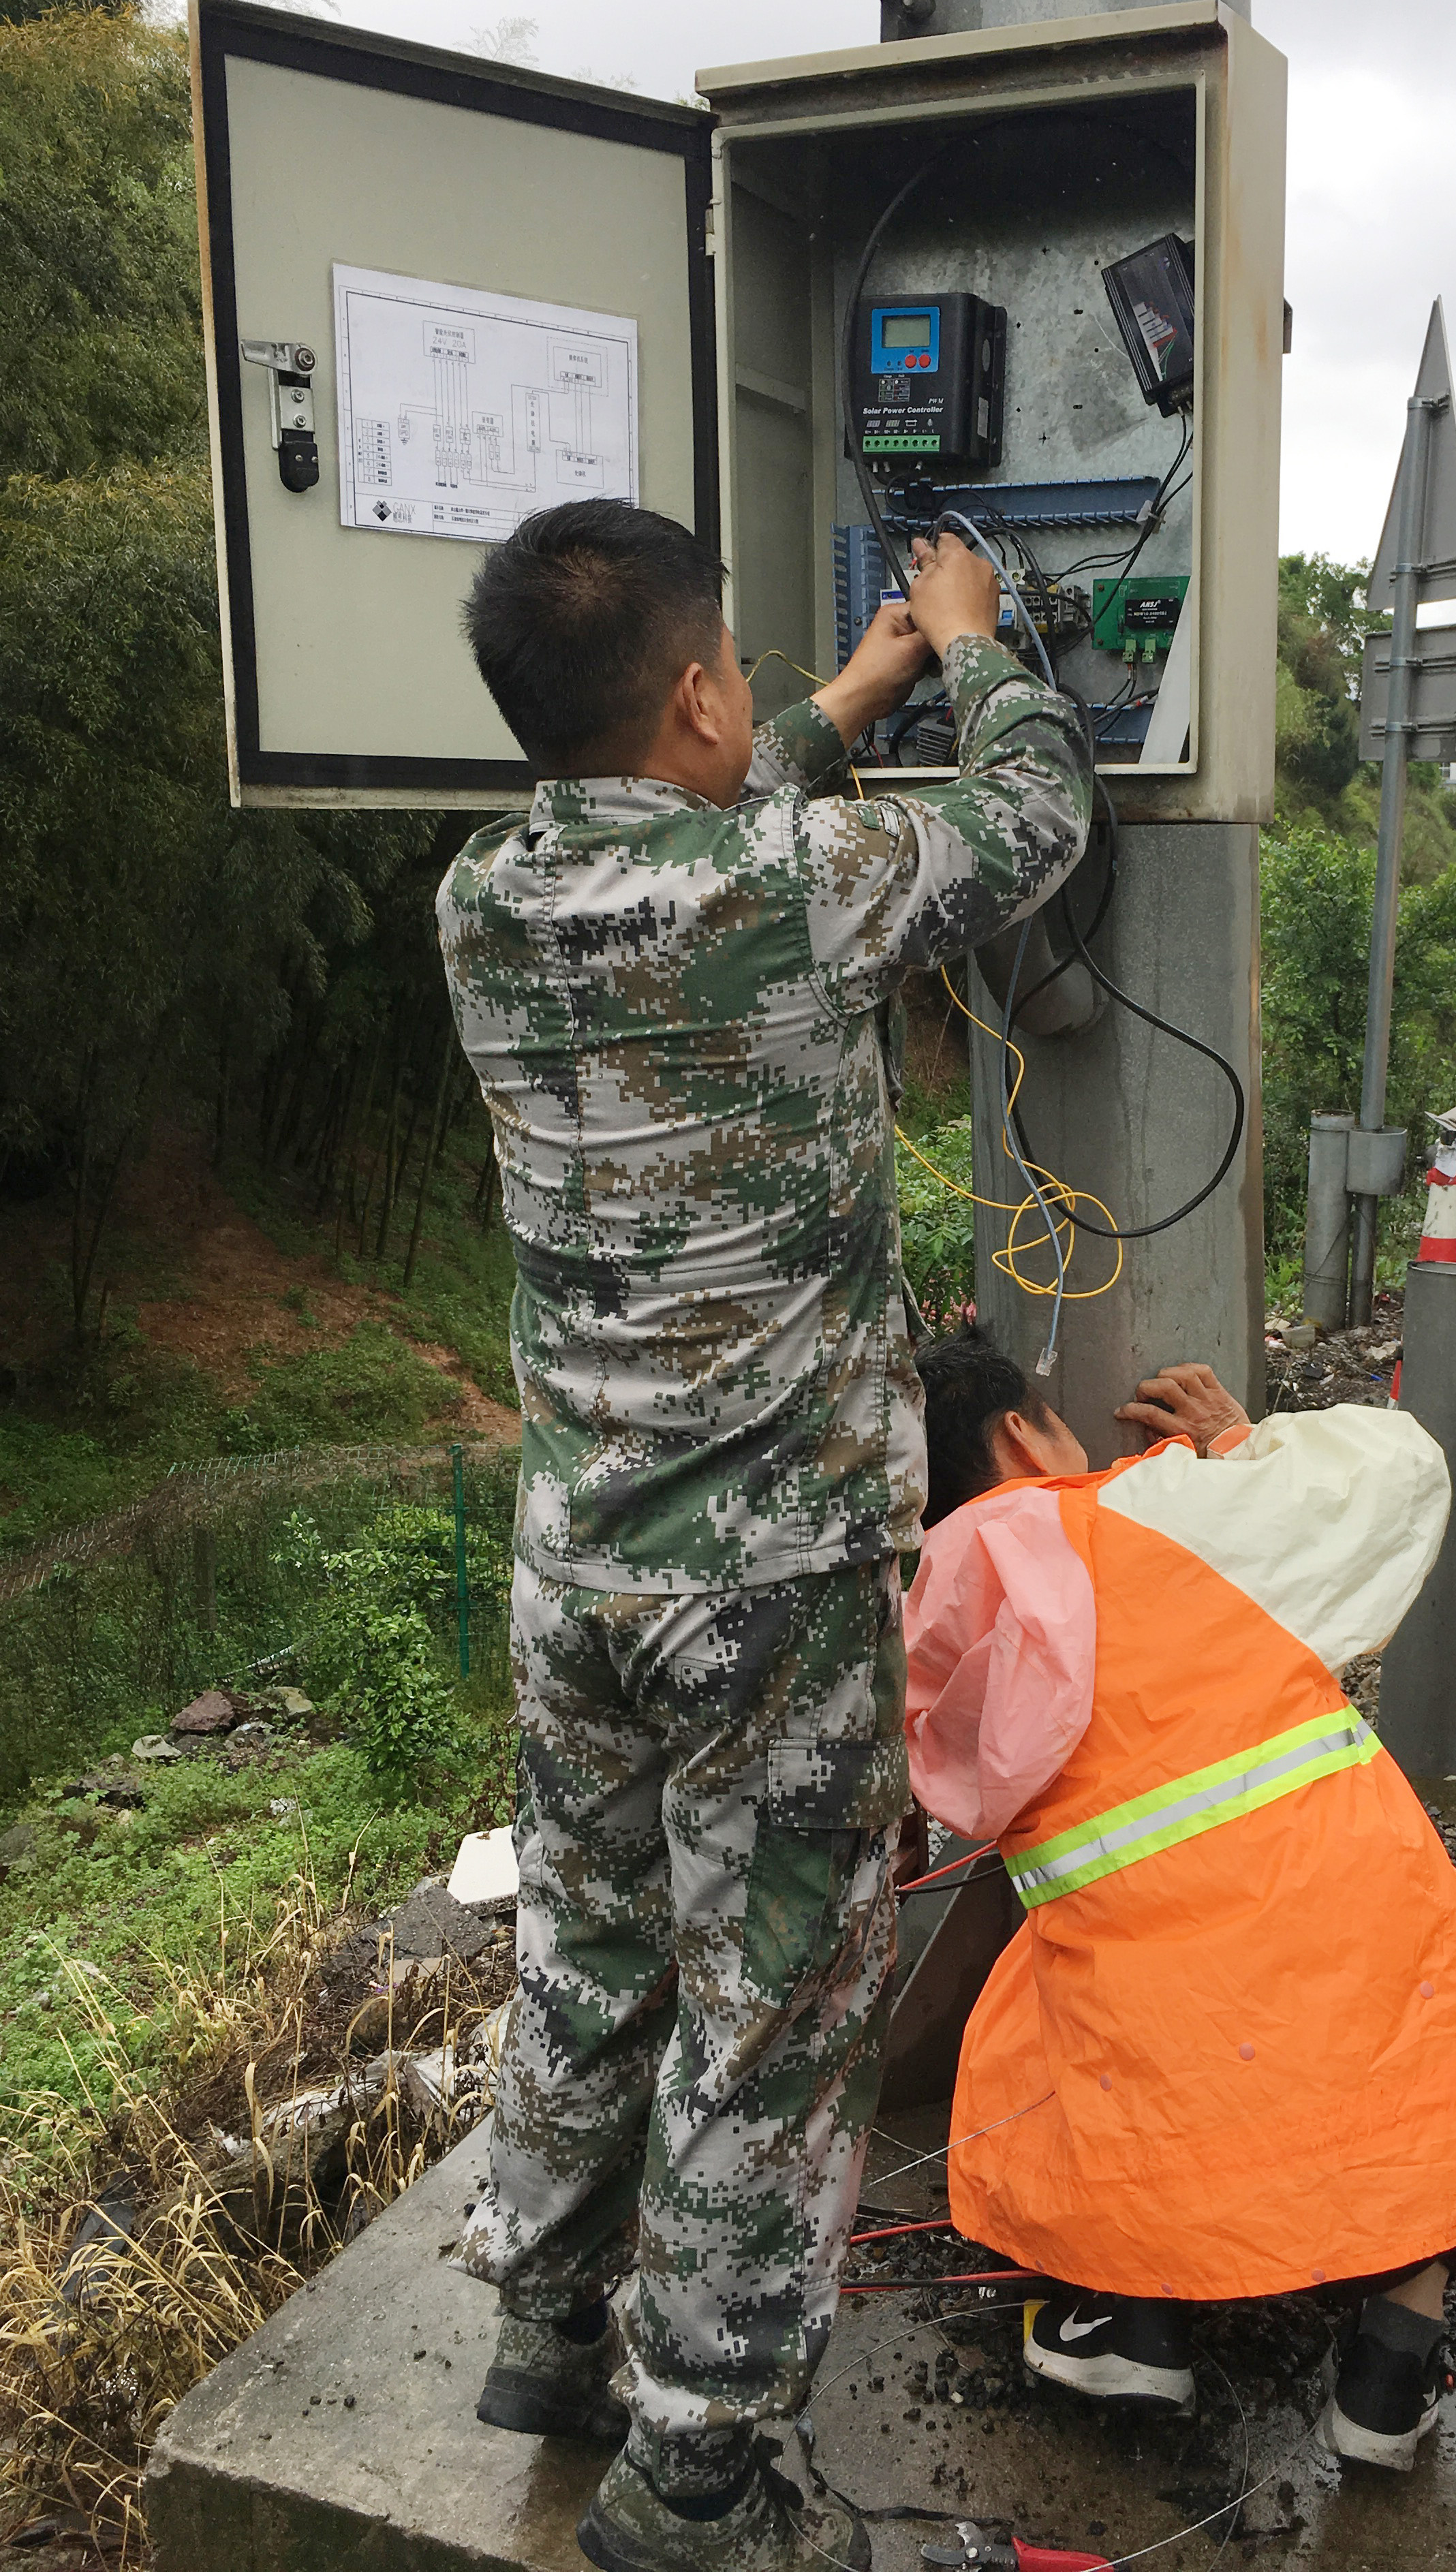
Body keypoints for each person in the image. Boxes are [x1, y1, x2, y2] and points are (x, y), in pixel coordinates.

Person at [435, 503, 1088, 2572]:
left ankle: (546, 2332)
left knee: (592, 1945)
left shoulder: (482, 898)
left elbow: (704, 822)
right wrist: (970, 644)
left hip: (578, 1570)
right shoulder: (801, 888)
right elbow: (1037, 819)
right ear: (703, 692)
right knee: (776, 2011)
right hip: (769, 1588)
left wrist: (848, 695)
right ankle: (697, 2477)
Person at [903, 1326, 1456, 2473]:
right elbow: (1401, 1473)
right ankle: (1392, 2364)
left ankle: (1132, 2322)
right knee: (1441, 2046)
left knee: (1071, 2051)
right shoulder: (1152, 1513)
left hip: (1149, 1995)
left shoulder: (923, 1616)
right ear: (1022, 1435)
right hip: (1354, 1920)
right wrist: (1236, 1442)